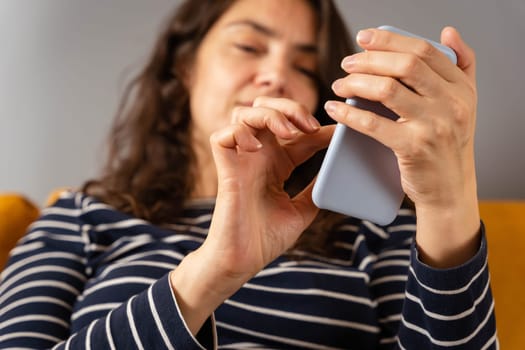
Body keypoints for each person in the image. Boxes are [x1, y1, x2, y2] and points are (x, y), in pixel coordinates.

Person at [0, 0, 497, 348]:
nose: (276, 75)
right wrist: (214, 272)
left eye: (305, 66)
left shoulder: (376, 226)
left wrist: (448, 201)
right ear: (185, 68)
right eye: (248, 47)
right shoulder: (83, 215)